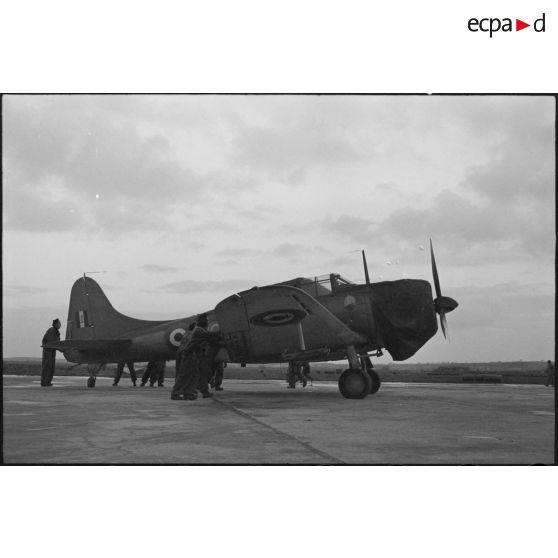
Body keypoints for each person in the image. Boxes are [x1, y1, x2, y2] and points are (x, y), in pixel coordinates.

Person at [171, 322, 198, 400]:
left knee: (191, 375)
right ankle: (176, 393)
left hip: (185, 356)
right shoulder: (191, 336)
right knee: (185, 375)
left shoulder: (187, 335)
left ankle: (188, 393)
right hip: (188, 357)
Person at [41, 318, 61, 386]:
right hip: (48, 351)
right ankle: (44, 382)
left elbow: (57, 342)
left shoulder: (56, 331)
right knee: (47, 367)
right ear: (55, 324)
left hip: (52, 351)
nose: (60, 325)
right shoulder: (51, 331)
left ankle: (47, 382)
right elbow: (52, 342)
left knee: (51, 367)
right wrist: (60, 348)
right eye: (59, 323)